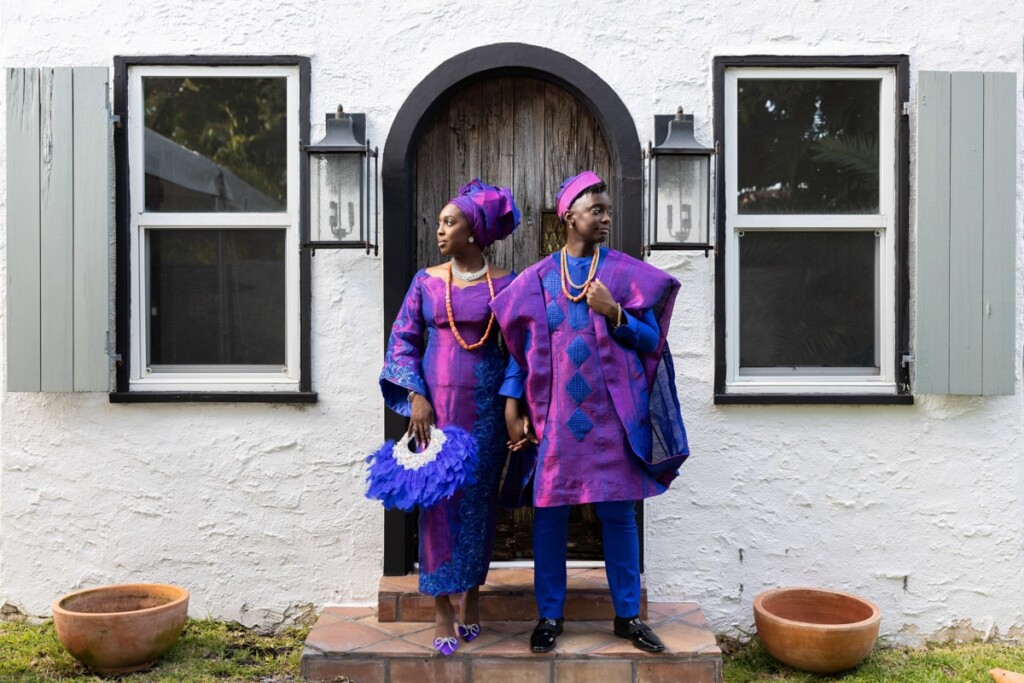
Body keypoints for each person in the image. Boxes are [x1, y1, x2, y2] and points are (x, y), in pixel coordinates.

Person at [491, 171, 690, 654]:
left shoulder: (623, 275)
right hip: (555, 420)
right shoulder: (536, 281)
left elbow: (651, 342)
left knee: (619, 514)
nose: (605, 216)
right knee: (550, 515)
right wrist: (512, 405)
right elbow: (521, 351)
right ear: (569, 216)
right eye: (595, 209)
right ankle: (550, 617)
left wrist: (615, 312)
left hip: (613, 420)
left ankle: (627, 618)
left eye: (606, 209)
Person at [379, 179, 520, 656]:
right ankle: (442, 608)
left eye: (449, 222)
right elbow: (403, 339)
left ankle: (473, 595)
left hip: (484, 414)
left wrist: (511, 406)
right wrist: (415, 395)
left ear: (474, 231)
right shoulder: (426, 281)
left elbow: (519, 353)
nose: (439, 230)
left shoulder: (506, 283)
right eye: (439, 222)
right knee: (436, 505)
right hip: (433, 415)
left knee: (478, 504)